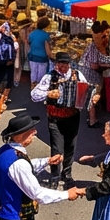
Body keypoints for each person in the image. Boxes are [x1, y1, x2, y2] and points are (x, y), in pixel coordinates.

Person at [29, 52, 86, 187]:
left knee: (71, 146)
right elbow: (34, 95)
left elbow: (86, 90)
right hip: (55, 118)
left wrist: (91, 97)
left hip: (72, 117)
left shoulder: (77, 75)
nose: (62, 66)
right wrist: (48, 93)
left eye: (65, 63)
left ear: (69, 64)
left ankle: (67, 174)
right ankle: (54, 176)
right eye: (60, 63)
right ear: (56, 64)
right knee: (57, 148)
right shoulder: (49, 76)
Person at [78, 20, 110, 127]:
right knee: (93, 95)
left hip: (87, 72)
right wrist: (108, 65)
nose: (107, 34)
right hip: (89, 74)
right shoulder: (94, 45)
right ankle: (92, 120)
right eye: (106, 32)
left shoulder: (97, 42)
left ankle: (86, 114)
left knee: (89, 95)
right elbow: (94, 65)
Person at [0, 21, 20, 102]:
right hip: (9, 61)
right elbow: (16, 47)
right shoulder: (12, 36)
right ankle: (4, 97)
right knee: (8, 80)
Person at [26, 17, 54, 88]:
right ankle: (38, 88)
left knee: (33, 72)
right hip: (42, 58)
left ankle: (32, 87)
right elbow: (47, 50)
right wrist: (51, 57)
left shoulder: (32, 33)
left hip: (32, 56)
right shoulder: (46, 35)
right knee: (41, 75)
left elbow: (29, 42)